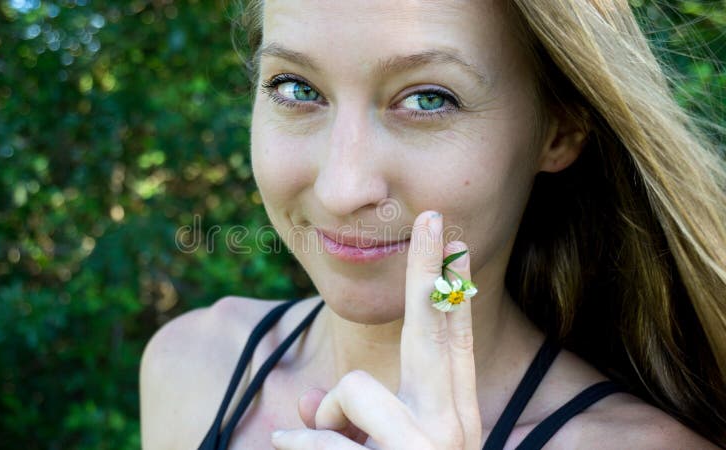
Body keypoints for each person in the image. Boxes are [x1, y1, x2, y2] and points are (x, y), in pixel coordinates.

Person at [140, 0, 726, 448]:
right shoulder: (190, 367)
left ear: (560, 129)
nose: (343, 191)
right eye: (296, 89)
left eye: (427, 100)